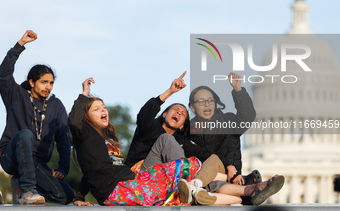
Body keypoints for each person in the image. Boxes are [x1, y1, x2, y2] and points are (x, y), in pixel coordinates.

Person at [70, 77, 284, 206]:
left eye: (183, 113)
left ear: (183, 124)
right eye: (175, 109)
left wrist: (230, 167)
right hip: (137, 177)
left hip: (146, 182)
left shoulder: (182, 140)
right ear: (164, 114)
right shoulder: (149, 128)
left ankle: (250, 192)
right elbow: (144, 114)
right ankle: (202, 183)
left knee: (202, 188)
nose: (179, 112)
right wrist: (170, 92)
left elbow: (95, 167)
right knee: (186, 160)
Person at [0, 31, 74, 204]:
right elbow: (3, 74)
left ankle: (21, 185)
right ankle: (26, 191)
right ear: (32, 82)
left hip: (36, 163)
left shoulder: (56, 105)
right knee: (26, 134)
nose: (48, 87)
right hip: (11, 157)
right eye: (43, 82)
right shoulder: (16, 95)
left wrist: (63, 167)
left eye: (51, 83)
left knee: (65, 196)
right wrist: (20, 45)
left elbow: (63, 137)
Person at [188, 72, 258, 203]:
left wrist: (238, 90)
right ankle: (246, 195)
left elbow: (247, 117)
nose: (207, 104)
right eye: (201, 101)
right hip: (201, 176)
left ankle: (246, 191)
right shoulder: (188, 129)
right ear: (192, 107)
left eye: (210, 100)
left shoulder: (227, 121)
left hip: (227, 177)